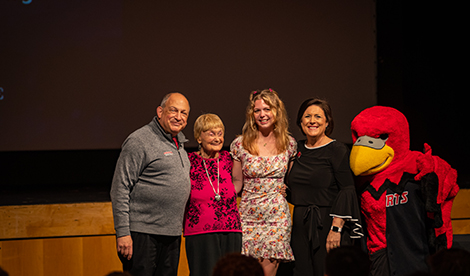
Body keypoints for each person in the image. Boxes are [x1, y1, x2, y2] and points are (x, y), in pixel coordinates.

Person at [110, 92, 191, 276]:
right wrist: (123, 232)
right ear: (160, 111)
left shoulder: (179, 142)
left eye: (184, 113)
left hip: (171, 234)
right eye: (174, 111)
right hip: (143, 234)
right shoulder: (139, 141)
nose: (179, 117)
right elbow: (120, 188)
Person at [286, 98, 363, 276]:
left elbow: (347, 190)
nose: (312, 121)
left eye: (318, 116)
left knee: (326, 271)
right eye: (307, 116)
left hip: (327, 223)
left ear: (327, 122)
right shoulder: (296, 149)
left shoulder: (337, 150)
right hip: (299, 225)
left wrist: (336, 229)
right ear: (300, 121)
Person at [230, 88, 296, 276]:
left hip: (276, 216)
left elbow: (293, 179)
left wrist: (287, 189)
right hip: (249, 215)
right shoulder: (240, 144)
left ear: (277, 111)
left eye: (267, 109)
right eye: (257, 110)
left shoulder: (289, 144)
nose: (262, 114)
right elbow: (236, 182)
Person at [183, 113, 242, 276]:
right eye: (211, 133)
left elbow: (240, 181)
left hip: (231, 229)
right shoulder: (188, 161)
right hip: (200, 231)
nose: (217, 138)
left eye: (220, 133)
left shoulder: (229, 159)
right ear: (198, 137)